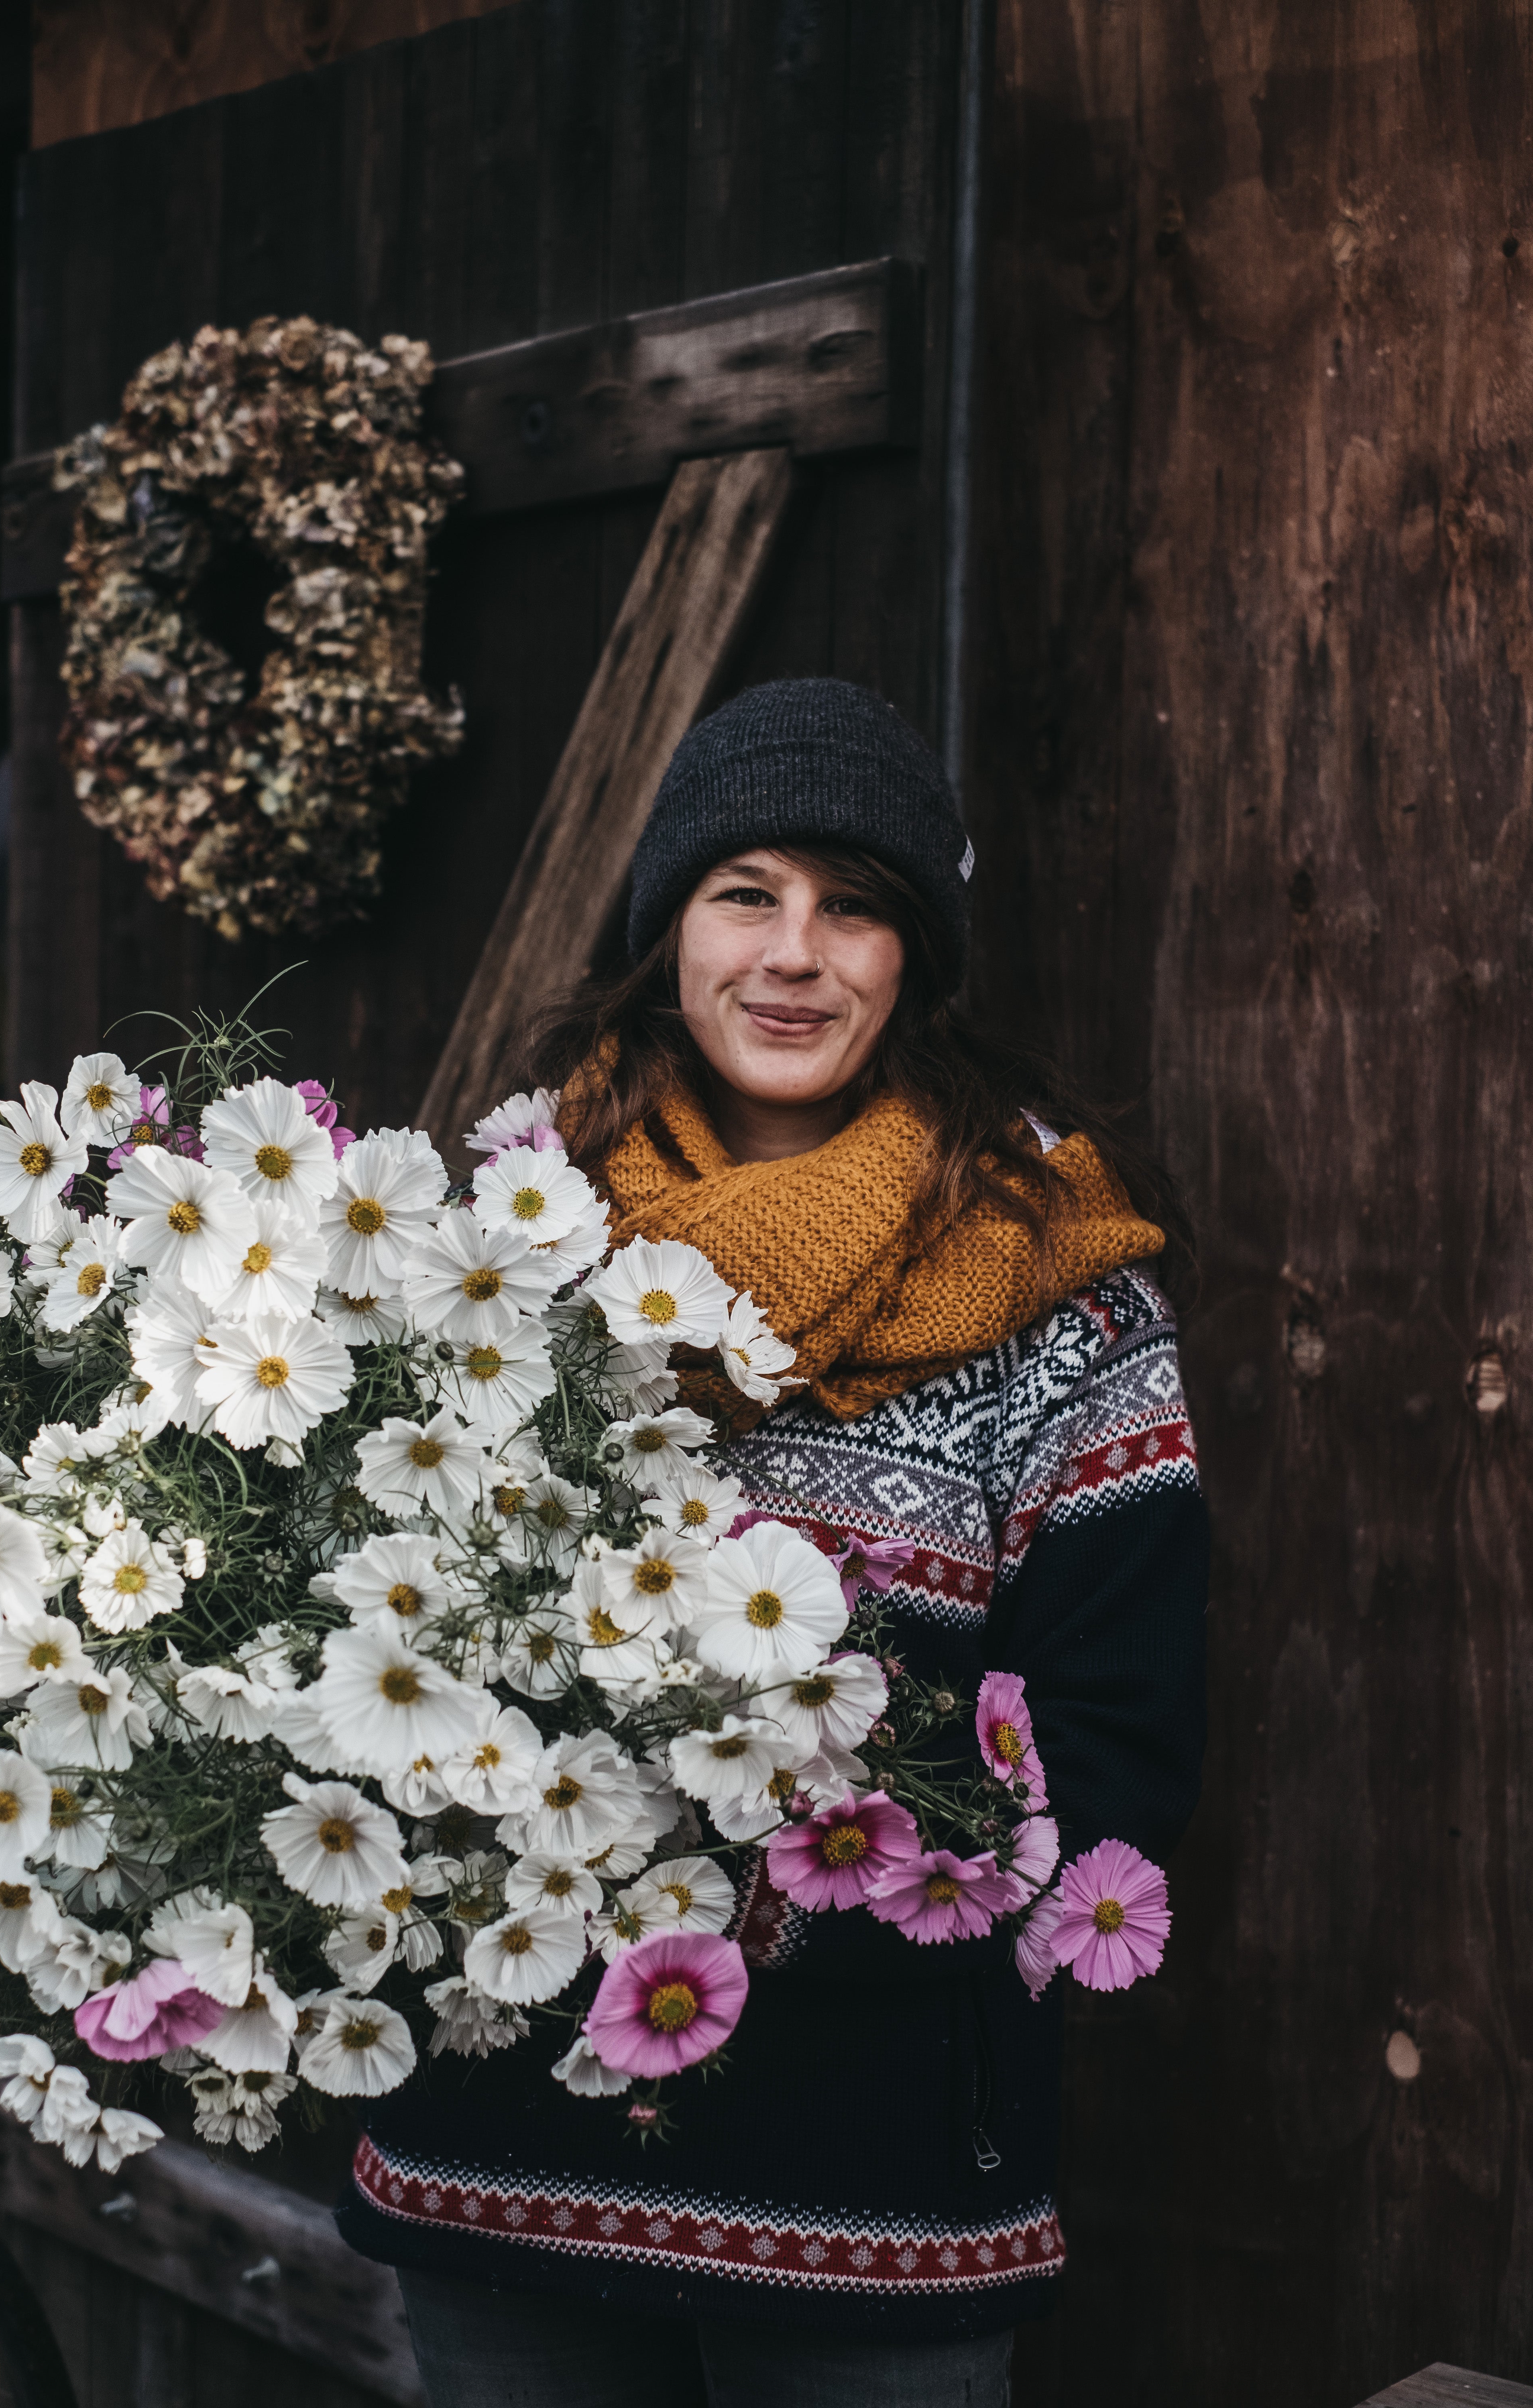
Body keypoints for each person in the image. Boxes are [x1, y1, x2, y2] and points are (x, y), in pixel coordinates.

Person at [337, 679, 1209, 2408]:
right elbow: (363, 1640)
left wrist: (815, 1891)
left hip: (871, 2180)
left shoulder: (1065, 1313)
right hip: (509, 2152)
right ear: (671, 931)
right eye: (746, 893)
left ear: (913, 961)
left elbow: (1118, 1742)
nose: (794, 953)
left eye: (854, 903)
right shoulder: (500, 1249)